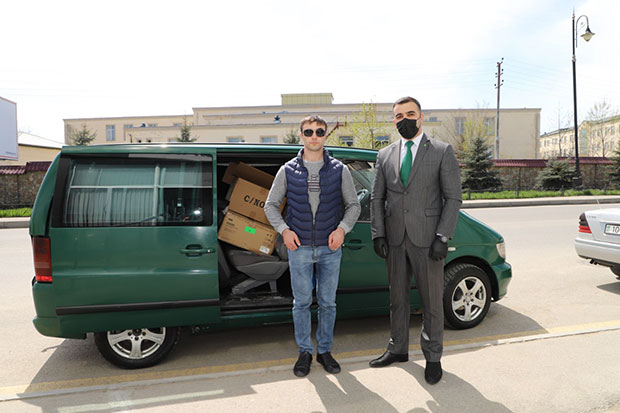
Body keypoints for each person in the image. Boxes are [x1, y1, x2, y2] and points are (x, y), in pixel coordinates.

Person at [369, 96, 462, 384]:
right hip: (395, 239)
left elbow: (453, 198)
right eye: (398, 116)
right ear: (394, 120)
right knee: (397, 299)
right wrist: (378, 233)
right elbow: (376, 197)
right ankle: (397, 348)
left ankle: (433, 357)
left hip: (428, 240)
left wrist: (442, 236)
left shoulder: (441, 151)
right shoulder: (385, 154)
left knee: (432, 302)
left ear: (421, 117)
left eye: (410, 114)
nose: (404, 120)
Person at [265, 115, 361, 377]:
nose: (314, 136)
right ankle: (305, 352)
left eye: (319, 131)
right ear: (302, 135)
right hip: (300, 249)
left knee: (328, 303)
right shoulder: (287, 170)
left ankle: (325, 351)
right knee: (302, 303)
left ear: (326, 135)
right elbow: (270, 205)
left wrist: (342, 229)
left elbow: (354, 205)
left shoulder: (339, 169)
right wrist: (284, 231)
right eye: (309, 132)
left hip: (331, 249)